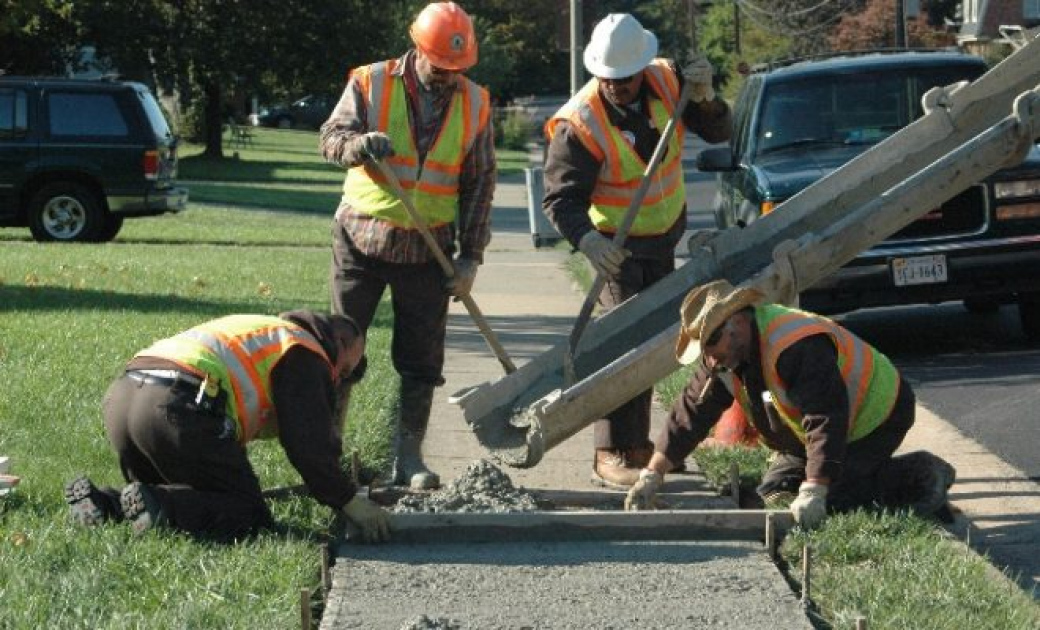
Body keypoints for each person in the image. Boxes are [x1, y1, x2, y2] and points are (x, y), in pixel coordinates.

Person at [542, 13, 732, 488]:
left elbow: (718, 132)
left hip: (664, 239)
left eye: (625, 79)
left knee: (655, 345)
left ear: (641, 68)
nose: (618, 88)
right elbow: (559, 200)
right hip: (617, 251)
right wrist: (589, 242)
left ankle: (639, 444)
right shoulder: (578, 123)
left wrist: (707, 98)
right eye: (609, 80)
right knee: (622, 348)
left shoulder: (670, 80)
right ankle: (610, 451)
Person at [319, 1, 495, 491]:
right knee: (339, 349)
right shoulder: (371, 82)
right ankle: (327, 454)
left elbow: (480, 184)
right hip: (361, 238)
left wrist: (471, 257)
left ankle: (409, 457)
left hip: (427, 251)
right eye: (440, 67)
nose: (447, 77)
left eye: (456, 70)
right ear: (417, 49)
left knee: (422, 360)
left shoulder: (476, 103)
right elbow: (330, 138)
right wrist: (357, 146)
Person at [624, 280, 957, 528]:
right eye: (703, 346)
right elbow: (692, 412)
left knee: (833, 501)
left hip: (877, 414)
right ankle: (828, 481)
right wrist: (653, 474)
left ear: (738, 321)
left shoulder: (794, 344)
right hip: (808, 433)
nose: (709, 355)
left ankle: (921, 475)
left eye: (712, 340)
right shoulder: (723, 359)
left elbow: (826, 415)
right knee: (776, 495)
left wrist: (815, 488)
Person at [64, 310, 391, 543]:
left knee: (195, 495)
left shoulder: (260, 329)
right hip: (178, 406)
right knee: (249, 513)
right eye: (343, 372)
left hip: (123, 400)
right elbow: (308, 444)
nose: (336, 382)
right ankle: (160, 504)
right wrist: (349, 501)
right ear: (340, 344)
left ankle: (103, 503)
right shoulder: (305, 350)